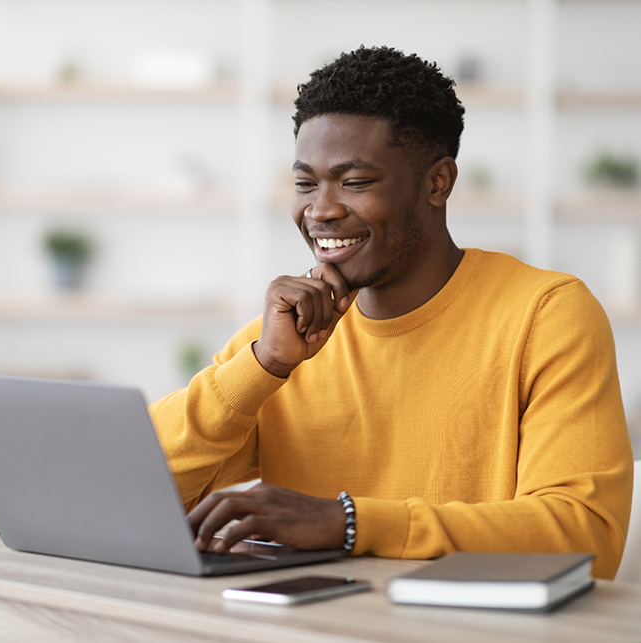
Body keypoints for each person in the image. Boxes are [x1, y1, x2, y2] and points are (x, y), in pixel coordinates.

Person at [149, 46, 634, 580]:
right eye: (305, 183)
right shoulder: (280, 344)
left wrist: (348, 523)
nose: (321, 210)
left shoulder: (546, 315)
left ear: (438, 183)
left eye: (354, 182)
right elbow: (133, 490)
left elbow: (584, 535)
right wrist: (261, 366)